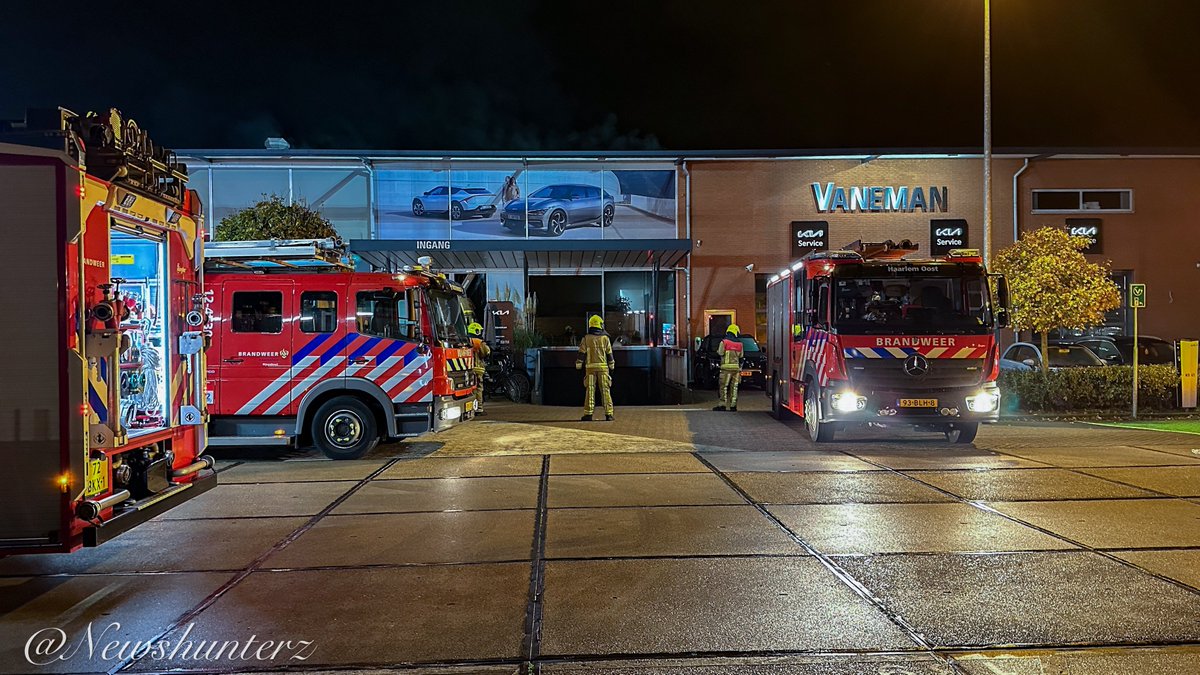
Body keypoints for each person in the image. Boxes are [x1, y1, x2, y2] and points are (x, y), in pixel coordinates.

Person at [577, 314, 615, 421]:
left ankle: (588, 414)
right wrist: (612, 365)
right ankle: (609, 414)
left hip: (590, 369)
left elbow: (581, 353)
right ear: (600, 325)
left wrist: (578, 364)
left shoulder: (586, 338)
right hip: (603, 369)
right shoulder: (605, 338)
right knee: (605, 390)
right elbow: (609, 353)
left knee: (590, 391)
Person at [713, 324, 744, 411]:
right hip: (736, 369)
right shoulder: (740, 344)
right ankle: (733, 406)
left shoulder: (724, 342)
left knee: (723, 386)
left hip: (725, 368)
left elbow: (720, 353)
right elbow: (741, 356)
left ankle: (722, 404)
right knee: (734, 387)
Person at [467, 322, 490, 415]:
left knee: (470, 390)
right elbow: (486, 352)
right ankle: (479, 408)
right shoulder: (478, 342)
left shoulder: (466, 340)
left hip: (468, 368)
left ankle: (471, 407)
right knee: (479, 389)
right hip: (478, 368)